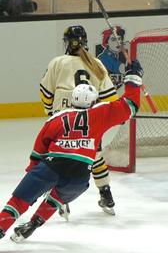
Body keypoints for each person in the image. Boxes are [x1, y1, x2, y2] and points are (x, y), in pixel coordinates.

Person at [0, 68, 143, 241]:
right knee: (56, 198)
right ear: (93, 101)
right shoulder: (101, 113)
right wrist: (133, 78)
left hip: (51, 166)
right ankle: (34, 224)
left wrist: (32, 174)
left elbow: (39, 150)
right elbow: (131, 105)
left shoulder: (56, 118)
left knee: (19, 201)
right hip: (80, 176)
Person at [39, 25, 127, 217]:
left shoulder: (58, 62)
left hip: (63, 120)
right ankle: (106, 195)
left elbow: (45, 93)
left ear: (67, 43)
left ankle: (58, 199)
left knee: (56, 157)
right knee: (94, 156)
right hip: (90, 120)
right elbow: (111, 99)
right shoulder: (97, 64)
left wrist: (50, 113)